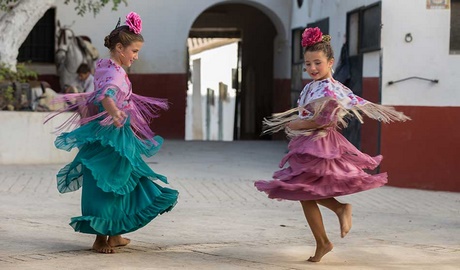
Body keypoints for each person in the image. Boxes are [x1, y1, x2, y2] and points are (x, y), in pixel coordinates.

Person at [254, 27, 410, 262]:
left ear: (330, 62)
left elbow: (322, 120)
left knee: (303, 192)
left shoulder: (330, 89)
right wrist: (298, 126)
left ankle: (328, 233)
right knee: (304, 192)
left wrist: (296, 125)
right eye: (308, 64)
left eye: (317, 62)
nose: (312, 68)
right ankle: (331, 226)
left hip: (321, 146)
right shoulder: (310, 86)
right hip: (308, 145)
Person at [45, 12, 178, 254]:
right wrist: (115, 112)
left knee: (124, 179)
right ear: (119, 48)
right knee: (105, 183)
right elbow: (107, 95)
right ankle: (100, 237)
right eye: (134, 51)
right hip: (109, 136)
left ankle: (115, 233)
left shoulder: (106, 65)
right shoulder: (114, 73)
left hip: (116, 133)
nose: (136, 57)